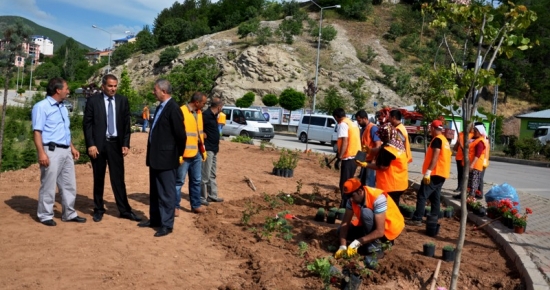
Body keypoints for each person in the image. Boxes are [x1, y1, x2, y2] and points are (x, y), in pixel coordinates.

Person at [83, 74, 141, 223]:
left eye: (115, 86)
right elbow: (87, 125)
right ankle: (98, 209)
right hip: (98, 145)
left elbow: (126, 124)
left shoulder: (122, 101)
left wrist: (126, 143)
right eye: (110, 86)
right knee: (99, 178)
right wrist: (90, 144)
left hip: (116, 144)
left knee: (118, 179)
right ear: (103, 86)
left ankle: (124, 210)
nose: (113, 89)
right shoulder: (93, 101)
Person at [32, 77, 87, 226]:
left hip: (65, 150)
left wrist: (72, 147)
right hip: (51, 150)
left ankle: (69, 213)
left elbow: (63, 131)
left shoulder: (63, 106)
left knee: (69, 184)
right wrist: (41, 153)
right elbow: (37, 132)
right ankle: (44, 215)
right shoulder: (41, 107)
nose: (68, 91)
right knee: (48, 184)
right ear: (58, 90)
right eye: (66, 88)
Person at [139, 79, 186, 237]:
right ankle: (155, 219)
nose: (154, 92)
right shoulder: (160, 107)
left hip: (167, 158)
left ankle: (167, 224)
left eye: (155, 90)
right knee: (155, 190)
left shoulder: (173, 108)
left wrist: (177, 155)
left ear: (164, 91)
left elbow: (181, 135)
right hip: (156, 157)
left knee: (166, 192)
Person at [335, 178, 404, 268]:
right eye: (348, 197)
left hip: (388, 229)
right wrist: (342, 246)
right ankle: (367, 241)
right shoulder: (352, 199)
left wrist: (358, 242)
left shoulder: (378, 198)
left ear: (360, 191)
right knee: (340, 231)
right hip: (370, 225)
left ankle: (377, 247)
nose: (350, 199)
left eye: (352, 196)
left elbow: (380, 231)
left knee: (366, 212)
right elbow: (345, 223)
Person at [406, 120, 451, 226]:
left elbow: (435, 157)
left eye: (431, 129)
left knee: (422, 195)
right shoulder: (444, 140)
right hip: (442, 173)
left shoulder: (437, 140)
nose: (430, 131)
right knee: (435, 196)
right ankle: (434, 217)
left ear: (433, 128)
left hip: (435, 173)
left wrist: (428, 172)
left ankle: (417, 219)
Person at [355, 123, 408, 206]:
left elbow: (382, 167)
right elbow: (380, 149)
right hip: (400, 182)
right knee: (394, 206)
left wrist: (365, 164)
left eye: (382, 136)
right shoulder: (397, 144)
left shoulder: (389, 150)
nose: (381, 138)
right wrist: (370, 150)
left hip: (391, 185)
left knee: (389, 208)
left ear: (386, 136)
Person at [175, 92, 208, 215]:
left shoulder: (199, 113)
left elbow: (197, 132)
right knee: (179, 181)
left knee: (196, 180)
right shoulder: (181, 111)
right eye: (203, 103)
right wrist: (178, 154)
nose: (204, 105)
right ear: (197, 102)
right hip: (184, 154)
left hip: (197, 153)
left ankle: (196, 205)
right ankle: (175, 206)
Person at [333, 108, 361, 208]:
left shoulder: (342, 124)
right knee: (349, 181)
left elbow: (345, 141)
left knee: (345, 183)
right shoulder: (352, 123)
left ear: (336, 117)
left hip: (348, 157)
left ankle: (346, 204)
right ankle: (347, 203)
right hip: (355, 156)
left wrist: (339, 158)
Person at [201, 97, 224, 203]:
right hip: (208, 149)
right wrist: (202, 133)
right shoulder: (205, 115)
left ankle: (212, 195)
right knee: (205, 175)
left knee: (212, 174)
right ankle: (201, 197)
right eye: (222, 107)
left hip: (214, 149)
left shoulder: (214, 116)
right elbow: (198, 127)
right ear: (219, 107)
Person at [355, 110, 381, 187]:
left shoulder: (373, 128)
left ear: (365, 118)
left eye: (359, 120)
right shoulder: (364, 129)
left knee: (369, 184)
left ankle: (370, 198)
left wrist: (373, 160)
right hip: (365, 161)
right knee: (363, 183)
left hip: (371, 162)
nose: (358, 123)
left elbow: (378, 145)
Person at [465, 124, 486, 199]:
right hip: (472, 164)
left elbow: (478, 155)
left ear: (480, 132)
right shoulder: (475, 140)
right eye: (474, 130)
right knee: (469, 183)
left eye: (476, 131)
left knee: (473, 184)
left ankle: (471, 198)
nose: (474, 132)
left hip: (476, 165)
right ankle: (468, 197)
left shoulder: (480, 142)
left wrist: (472, 164)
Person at [452, 123, 473, 193]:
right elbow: (456, 145)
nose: (466, 127)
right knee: (460, 173)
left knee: (466, 174)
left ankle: (465, 188)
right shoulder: (460, 134)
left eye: (468, 126)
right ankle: (459, 187)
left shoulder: (473, 135)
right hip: (459, 157)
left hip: (467, 157)